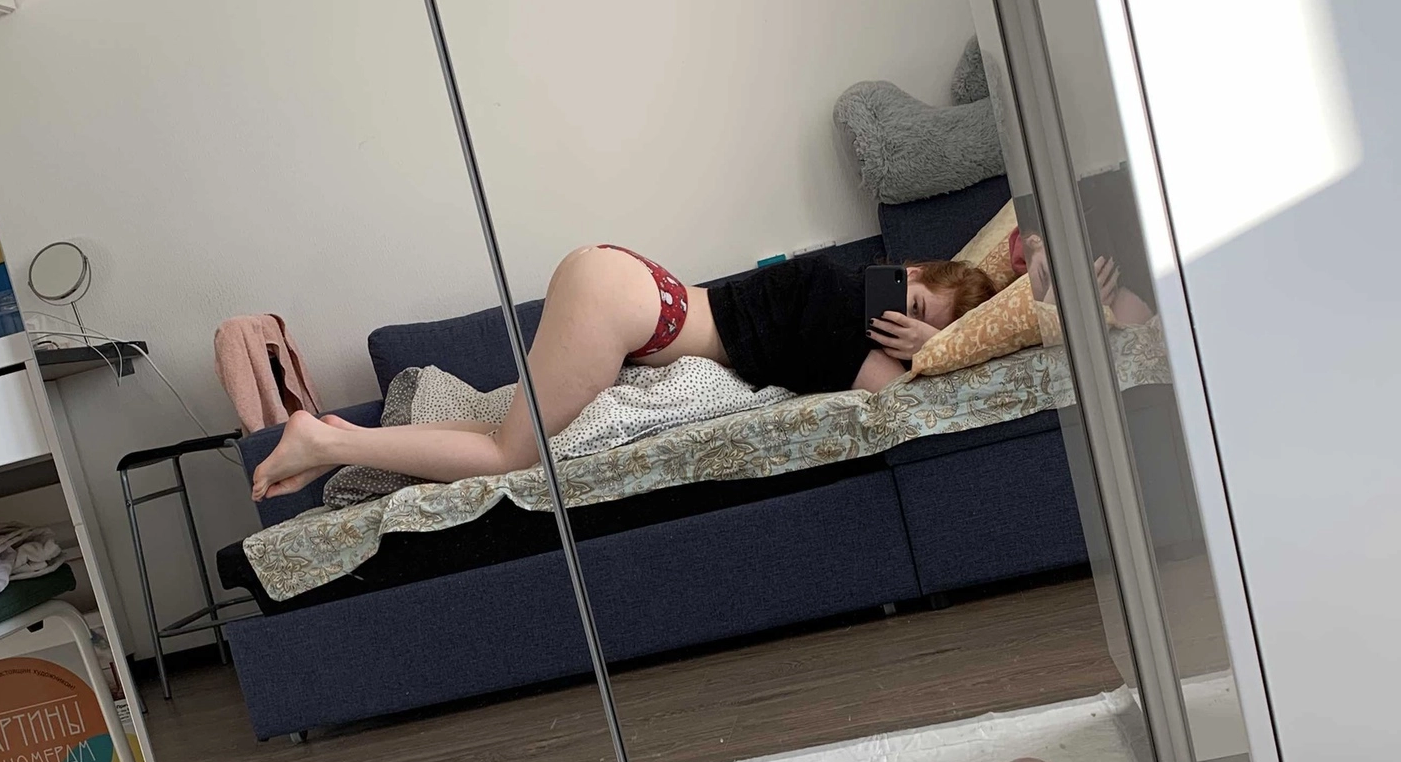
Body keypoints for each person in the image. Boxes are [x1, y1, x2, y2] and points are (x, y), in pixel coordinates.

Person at [253, 242, 996, 499]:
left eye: (919, 329)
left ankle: (329, 437)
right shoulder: (840, 302)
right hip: (628, 304)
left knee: (505, 432)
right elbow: (901, 403)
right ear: (907, 271)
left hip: (631, 290)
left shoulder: (839, 306)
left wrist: (921, 341)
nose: (904, 326)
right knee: (511, 457)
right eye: (915, 303)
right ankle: (326, 441)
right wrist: (925, 349)